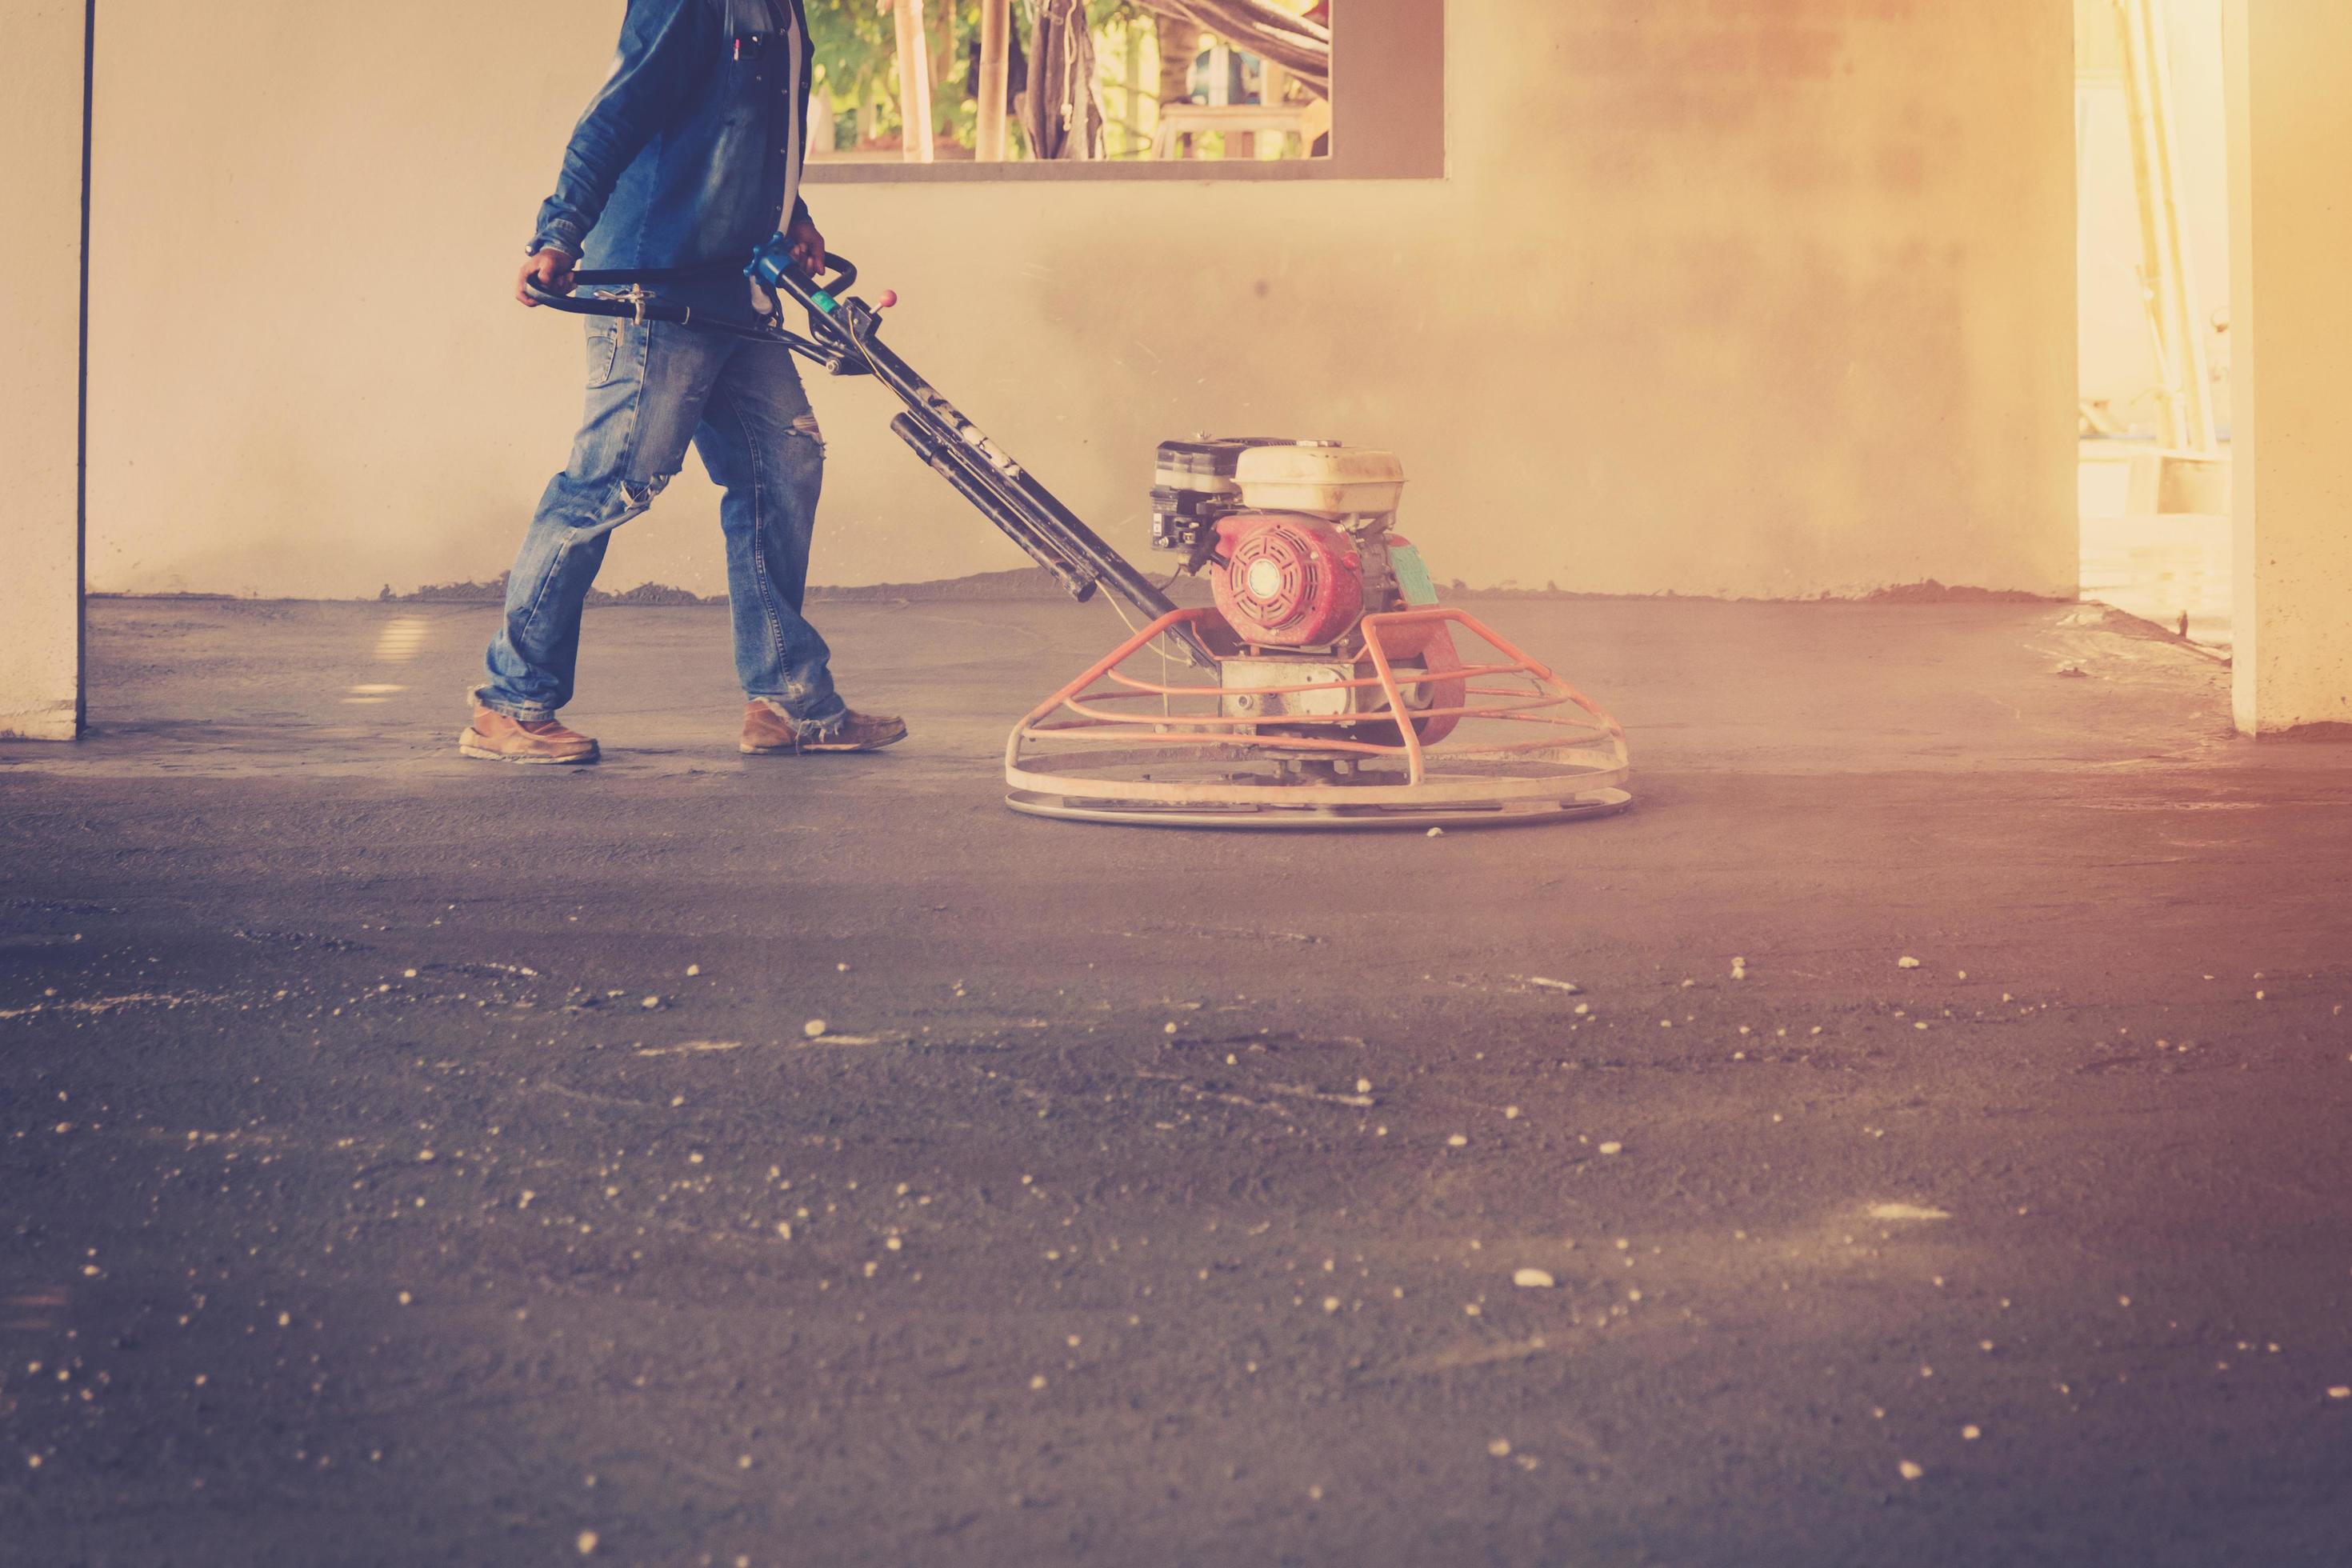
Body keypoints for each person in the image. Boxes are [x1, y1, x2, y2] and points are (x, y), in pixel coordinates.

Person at [462, 0, 906, 765]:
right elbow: (618, 112)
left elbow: (747, 131)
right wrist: (560, 233)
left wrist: (793, 213)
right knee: (611, 483)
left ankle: (788, 701)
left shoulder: (784, 9)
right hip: (656, 285)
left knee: (783, 467)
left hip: (734, 286)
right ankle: (509, 703)